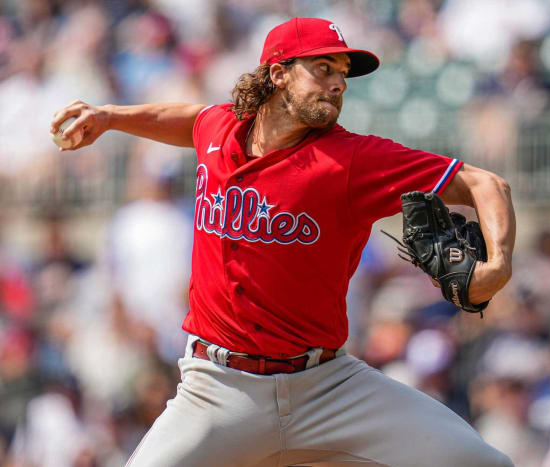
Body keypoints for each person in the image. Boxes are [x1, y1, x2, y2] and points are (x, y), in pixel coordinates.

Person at [50, 17, 516, 467]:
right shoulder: (221, 129)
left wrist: (497, 267)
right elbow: (190, 120)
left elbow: (484, 183)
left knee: (480, 462)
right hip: (218, 391)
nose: (338, 84)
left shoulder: (351, 159)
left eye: (343, 74)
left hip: (328, 389)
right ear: (278, 73)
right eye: (323, 69)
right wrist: (110, 116)